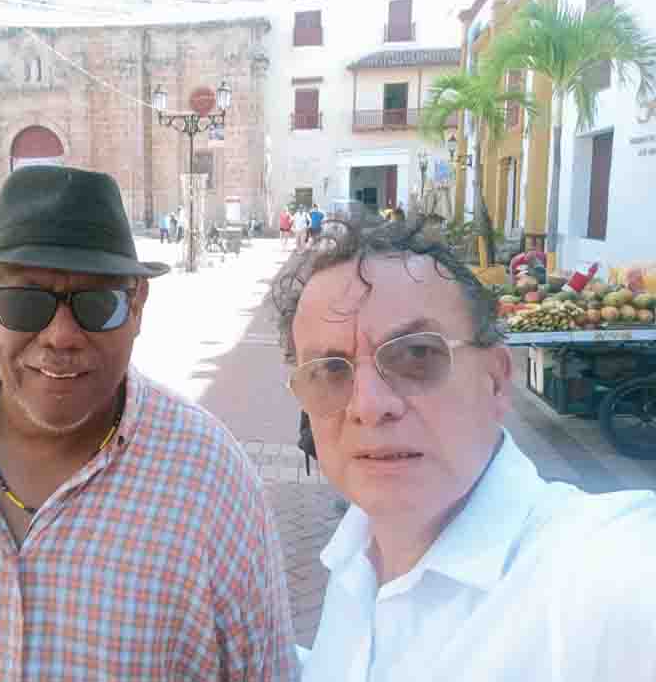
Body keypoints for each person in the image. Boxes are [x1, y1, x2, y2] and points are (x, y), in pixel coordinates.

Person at [0, 165, 298, 681]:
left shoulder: (213, 483)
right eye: (26, 301)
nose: (61, 335)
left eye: (98, 303)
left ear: (137, 307)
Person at [273, 221, 656, 682]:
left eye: (417, 355)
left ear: (495, 380)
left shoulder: (596, 575)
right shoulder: (356, 552)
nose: (369, 406)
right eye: (330, 372)